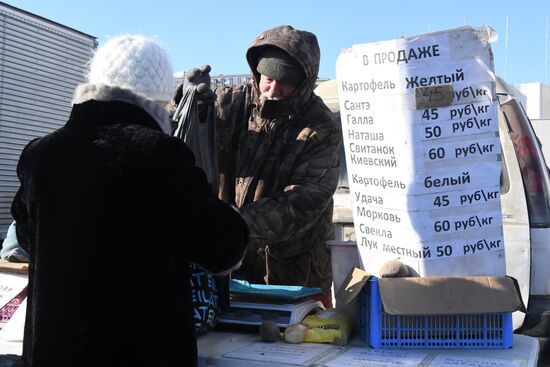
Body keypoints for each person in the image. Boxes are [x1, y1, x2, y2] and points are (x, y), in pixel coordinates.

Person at [11, 35, 248, 367]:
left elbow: (25, 239)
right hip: (139, 351)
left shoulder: (39, 154)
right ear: (158, 97)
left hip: (53, 351)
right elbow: (223, 245)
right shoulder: (159, 154)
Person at [173, 25, 341, 307]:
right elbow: (172, 138)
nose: (274, 89)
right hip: (227, 271)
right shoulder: (228, 103)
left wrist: (231, 226)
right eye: (268, 78)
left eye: (286, 82)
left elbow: (304, 201)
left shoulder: (320, 127)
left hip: (292, 278)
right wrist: (186, 103)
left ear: (305, 81)